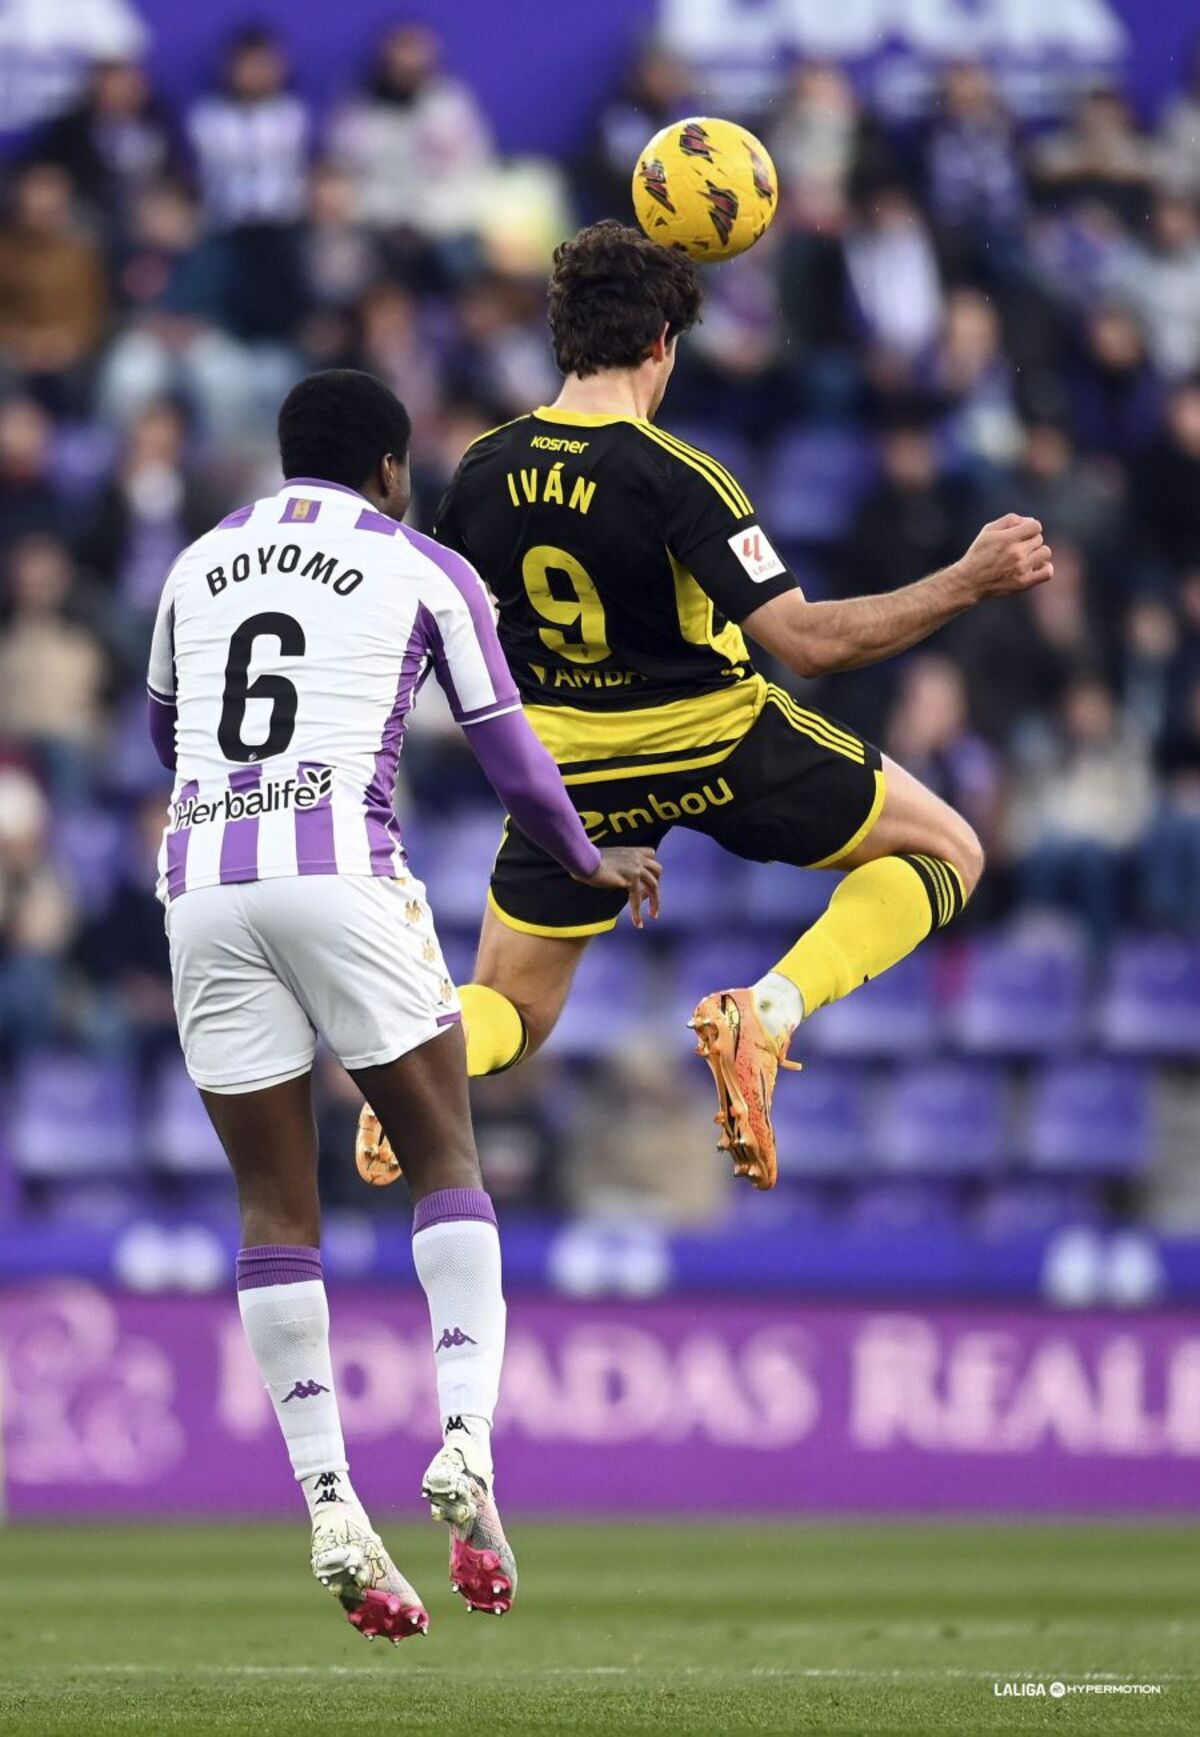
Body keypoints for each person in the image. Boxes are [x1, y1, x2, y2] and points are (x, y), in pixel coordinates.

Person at [357, 221, 1052, 1193]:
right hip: (716, 746)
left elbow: (441, 636)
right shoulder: (681, 478)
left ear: (565, 341)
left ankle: (409, 1072)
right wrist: (965, 582)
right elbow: (808, 642)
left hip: (566, 780)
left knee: (506, 1014)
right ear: (660, 348)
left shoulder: (482, 469)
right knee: (950, 852)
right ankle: (765, 1014)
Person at [146, 368, 659, 1639]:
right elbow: (513, 758)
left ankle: (328, 1498)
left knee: (274, 1208)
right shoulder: (424, 562)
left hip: (202, 882)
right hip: (343, 875)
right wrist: (589, 859)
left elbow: (171, 736)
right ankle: (467, 1448)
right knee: (446, 1157)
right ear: (388, 467)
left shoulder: (196, 562)